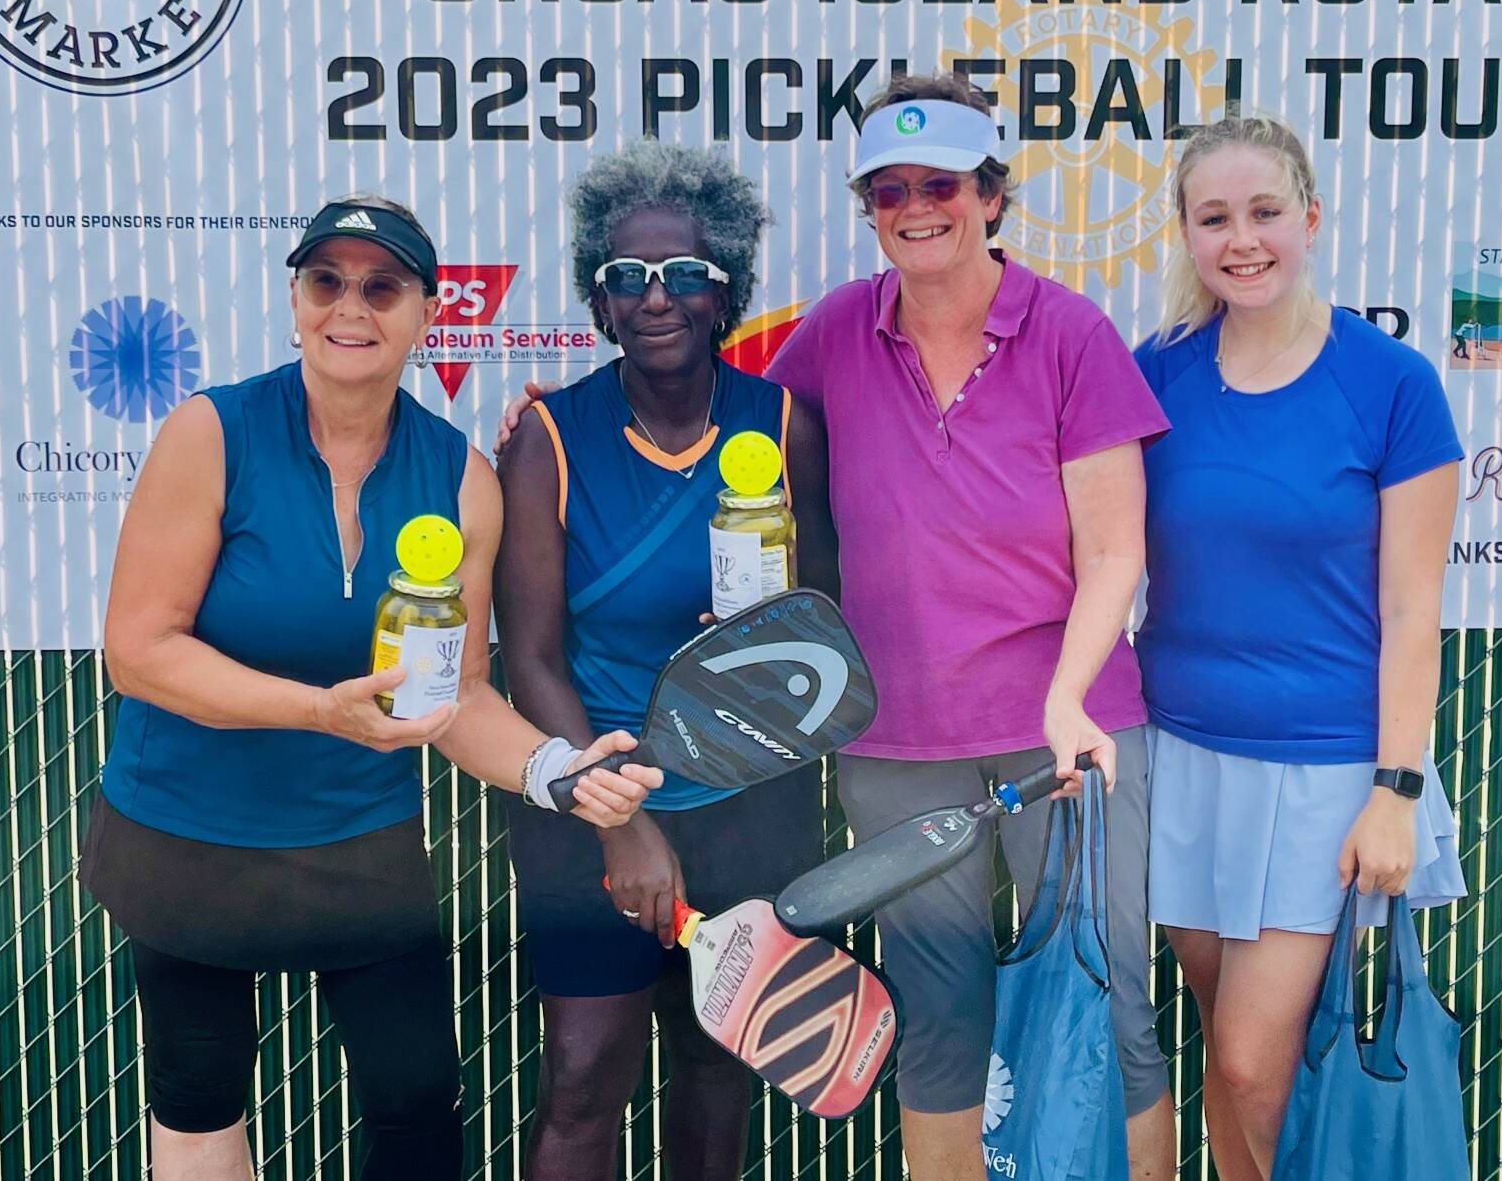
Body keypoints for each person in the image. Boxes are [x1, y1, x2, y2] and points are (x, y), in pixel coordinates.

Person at [497, 79, 1177, 1181]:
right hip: (894, 749)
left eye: (943, 184)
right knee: (942, 1020)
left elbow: (1114, 550)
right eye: (890, 188)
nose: (917, 206)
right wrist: (536, 418)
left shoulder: (1071, 333)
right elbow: (712, 424)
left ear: (992, 196)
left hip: (1067, 741)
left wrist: (1068, 699)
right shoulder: (829, 344)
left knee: (1107, 1009)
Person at [85, 196, 660, 1181]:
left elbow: (459, 695)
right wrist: (318, 710)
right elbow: (138, 651)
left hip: (358, 836)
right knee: (198, 1086)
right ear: (297, 299)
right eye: (327, 281)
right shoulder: (212, 431)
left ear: (429, 312)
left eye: (382, 285)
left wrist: (559, 772)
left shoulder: (459, 475)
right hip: (188, 827)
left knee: (414, 1096)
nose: (351, 306)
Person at [1133, 113, 1468, 1181]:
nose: (1243, 239)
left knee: (1252, 1059)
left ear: (1311, 218)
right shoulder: (1158, 374)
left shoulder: (1393, 384)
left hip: (1327, 772)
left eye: (1265, 212)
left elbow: (1416, 611)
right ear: (1185, 234)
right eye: (1214, 216)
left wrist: (1397, 788)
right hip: (1178, 757)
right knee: (1222, 1050)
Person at [491, 142, 834, 1181]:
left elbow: (821, 623)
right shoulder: (548, 435)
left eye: (686, 274)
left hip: (747, 795)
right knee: (585, 1077)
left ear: (722, 292)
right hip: (593, 795)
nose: (658, 298)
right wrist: (620, 817)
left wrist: (763, 647)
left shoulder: (782, 422)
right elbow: (531, 654)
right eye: (627, 278)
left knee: (717, 1062)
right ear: (597, 303)